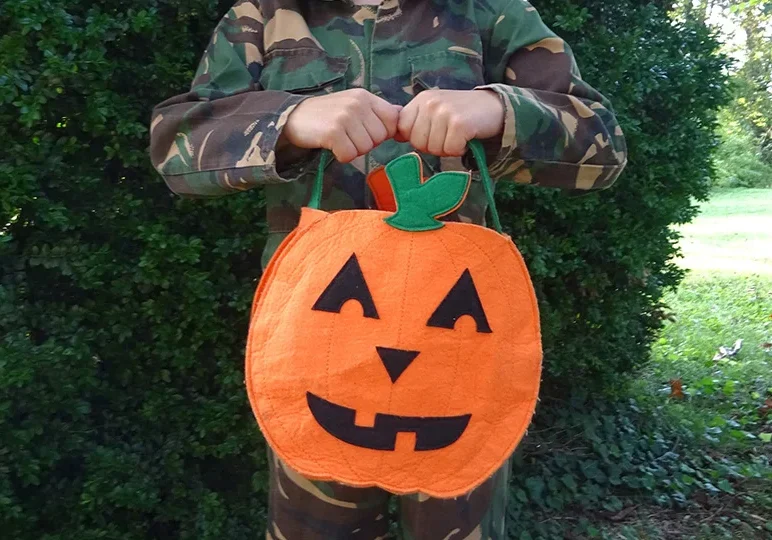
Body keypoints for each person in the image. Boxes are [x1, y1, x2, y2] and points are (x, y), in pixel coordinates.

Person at [149, 0, 627, 537]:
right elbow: (174, 148)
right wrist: (287, 120)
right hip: (316, 338)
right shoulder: (264, 15)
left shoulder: (491, 12)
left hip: (456, 342)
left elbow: (603, 148)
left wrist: (497, 112)